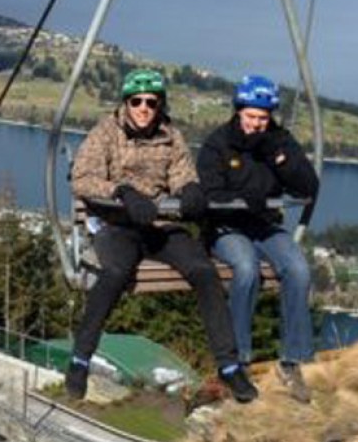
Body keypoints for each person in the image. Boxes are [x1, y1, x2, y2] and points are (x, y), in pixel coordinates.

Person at [67, 68, 257, 403]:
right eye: (136, 101)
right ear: (126, 103)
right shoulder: (106, 133)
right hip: (119, 224)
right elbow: (82, 177)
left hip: (160, 224)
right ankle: (81, 357)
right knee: (113, 273)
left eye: (150, 102)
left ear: (160, 105)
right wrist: (121, 191)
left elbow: (182, 173)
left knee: (203, 272)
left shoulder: (170, 136)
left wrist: (190, 191)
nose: (143, 108)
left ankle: (229, 364)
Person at [197, 74, 320, 403]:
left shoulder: (278, 141)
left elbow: (307, 186)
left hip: (264, 224)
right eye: (250, 116)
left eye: (262, 118)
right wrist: (238, 199)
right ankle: (237, 361)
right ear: (238, 111)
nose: (256, 124)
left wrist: (280, 158)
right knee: (247, 269)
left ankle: (292, 360)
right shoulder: (219, 143)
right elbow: (208, 190)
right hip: (227, 226)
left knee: (298, 270)